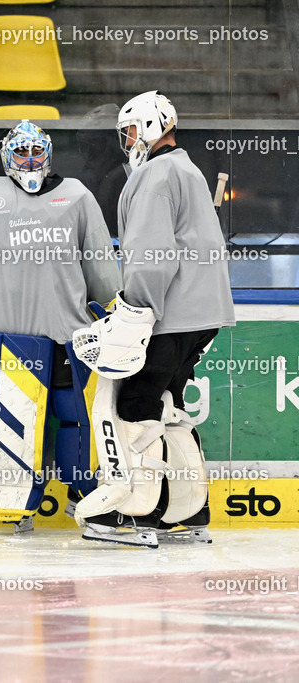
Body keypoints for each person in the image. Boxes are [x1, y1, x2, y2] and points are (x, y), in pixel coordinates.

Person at [0, 120, 121, 531]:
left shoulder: (77, 196)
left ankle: (83, 494)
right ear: (7, 156)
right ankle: (14, 502)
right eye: (21, 152)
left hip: (69, 333)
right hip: (3, 338)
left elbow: (100, 266)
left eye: (36, 152)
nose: (29, 160)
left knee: (75, 418)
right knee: (10, 421)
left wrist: (111, 309)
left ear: (47, 154)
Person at [71, 91, 235, 547]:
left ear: (148, 126)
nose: (125, 141)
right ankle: (187, 507)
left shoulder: (154, 177)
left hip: (168, 313)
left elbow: (150, 256)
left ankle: (136, 511)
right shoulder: (186, 168)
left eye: (128, 131)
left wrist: (134, 309)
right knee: (169, 403)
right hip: (202, 314)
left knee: (135, 406)